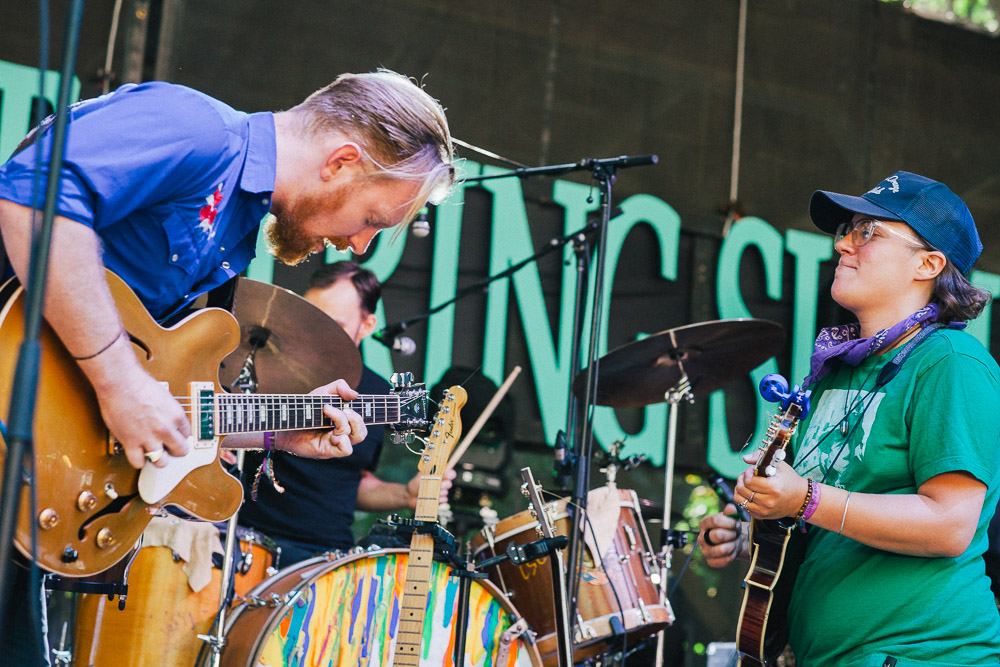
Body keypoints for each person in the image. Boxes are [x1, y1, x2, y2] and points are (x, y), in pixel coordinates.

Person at [0, 71, 454, 662]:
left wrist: (278, 432)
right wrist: (120, 380)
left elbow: (161, 394)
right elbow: (30, 197)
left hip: (27, 473)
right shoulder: (199, 130)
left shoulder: (237, 235)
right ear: (341, 162)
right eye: (373, 219)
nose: (361, 244)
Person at [699, 171, 1000, 666]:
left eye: (868, 232)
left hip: (924, 655)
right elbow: (821, 514)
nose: (842, 244)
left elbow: (949, 524)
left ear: (928, 264)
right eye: (847, 231)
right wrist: (750, 532)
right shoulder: (836, 371)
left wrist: (806, 497)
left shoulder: (951, 361)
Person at [237, 261, 453, 565]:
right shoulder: (258, 371)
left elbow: (351, 484)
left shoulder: (376, 394)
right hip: (248, 543)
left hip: (327, 557)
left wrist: (406, 495)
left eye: (334, 324)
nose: (317, 333)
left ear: (366, 325)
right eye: (311, 319)